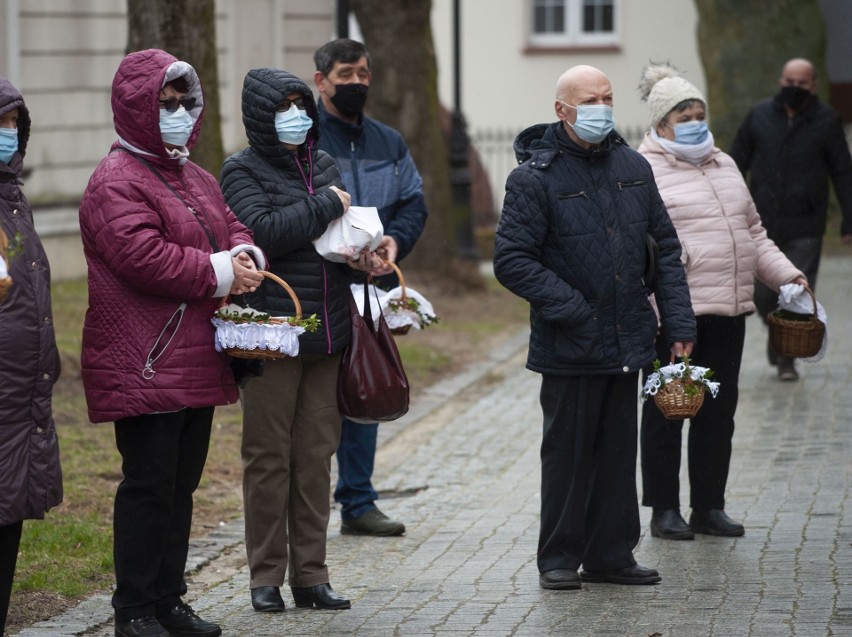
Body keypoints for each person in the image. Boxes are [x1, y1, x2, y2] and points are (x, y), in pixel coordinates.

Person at [78, 49, 265, 637]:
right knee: (149, 487)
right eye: (166, 103)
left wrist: (244, 254)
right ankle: (133, 607)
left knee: (181, 487)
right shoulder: (115, 181)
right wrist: (222, 270)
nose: (179, 113)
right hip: (146, 358)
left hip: (193, 355)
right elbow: (143, 258)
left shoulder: (194, 173)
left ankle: (167, 600)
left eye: (187, 102)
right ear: (137, 109)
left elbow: (230, 224)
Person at [493, 65, 696, 591]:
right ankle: (558, 557)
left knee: (615, 453)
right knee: (567, 454)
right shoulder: (533, 177)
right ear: (562, 110)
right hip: (570, 341)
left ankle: (611, 554)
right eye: (590, 100)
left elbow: (666, 250)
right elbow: (512, 260)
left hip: (629, 335)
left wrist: (677, 321)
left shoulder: (633, 165)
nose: (602, 107)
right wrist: (575, 309)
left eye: (607, 97)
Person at [220, 68, 378, 614]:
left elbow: (328, 244)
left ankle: (311, 575)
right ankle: (265, 576)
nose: (297, 116)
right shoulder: (240, 169)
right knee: (268, 457)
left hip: (328, 333)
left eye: (301, 105)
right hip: (271, 335)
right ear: (260, 117)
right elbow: (263, 232)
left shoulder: (324, 164)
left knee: (315, 457)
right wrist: (329, 206)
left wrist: (363, 256)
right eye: (284, 107)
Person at [636, 63, 807, 541]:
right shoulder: (644, 170)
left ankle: (709, 506)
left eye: (699, 112)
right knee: (667, 412)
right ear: (661, 124)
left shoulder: (725, 163)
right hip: (675, 317)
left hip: (729, 311)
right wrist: (663, 311)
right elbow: (639, 249)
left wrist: (787, 275)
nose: (695, 121)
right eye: (683, 115)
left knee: (717, 414)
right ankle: (664, 509)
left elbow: (753, 233)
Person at [313, 38, 428, 538]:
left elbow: (414, 203)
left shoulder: (389, 141)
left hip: (368, 288)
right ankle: (309, 509)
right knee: (317, 398)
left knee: (365, 382)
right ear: (321, 80)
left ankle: (358, 502)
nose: (356, 82)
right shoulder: (305, 139)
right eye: (345, 74)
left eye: (363, 73)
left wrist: (393, 243)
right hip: (316, 283)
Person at [730, 57, 852, 381]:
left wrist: (848, 219)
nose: (794, 88)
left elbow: (843, 171)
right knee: (761, 293)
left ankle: (786, 359)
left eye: (801, 83)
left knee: (794, 289)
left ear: (812, 85)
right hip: (761, 222)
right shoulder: (758, 116)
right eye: (789, 82)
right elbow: (734, 162)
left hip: (806, 225)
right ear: (780, 82)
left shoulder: (827, 121)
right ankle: (776, 328)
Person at [0, 76, 63, 637]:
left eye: (14, 122)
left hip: (19, 392)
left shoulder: (13, 201)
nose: (8, 133)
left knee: (9, 514)